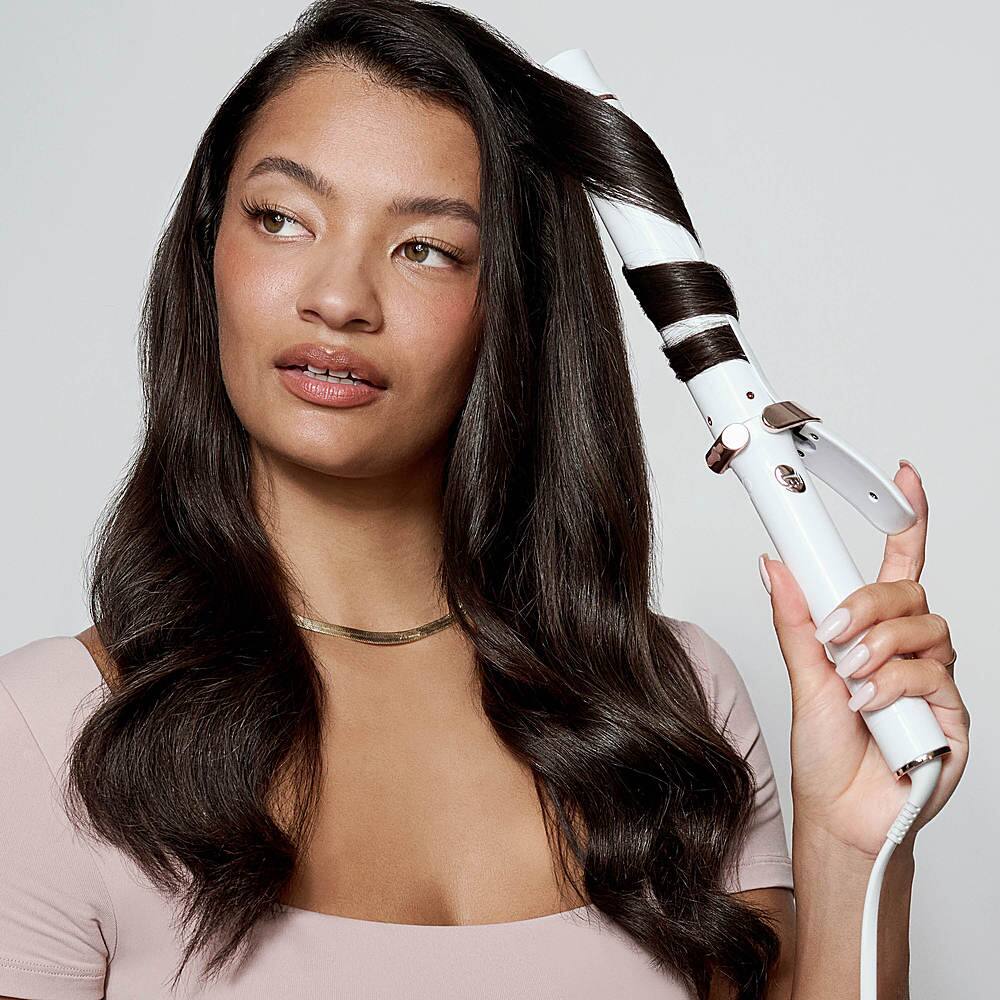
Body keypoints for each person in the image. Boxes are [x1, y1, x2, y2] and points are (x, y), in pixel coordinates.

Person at [0, 1, 968, 998]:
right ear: (209, 252)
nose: (339, 298)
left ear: (516, 304)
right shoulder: (47, 738)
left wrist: (857, 846)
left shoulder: (671, 707)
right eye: (281, 217)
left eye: (426, 247)